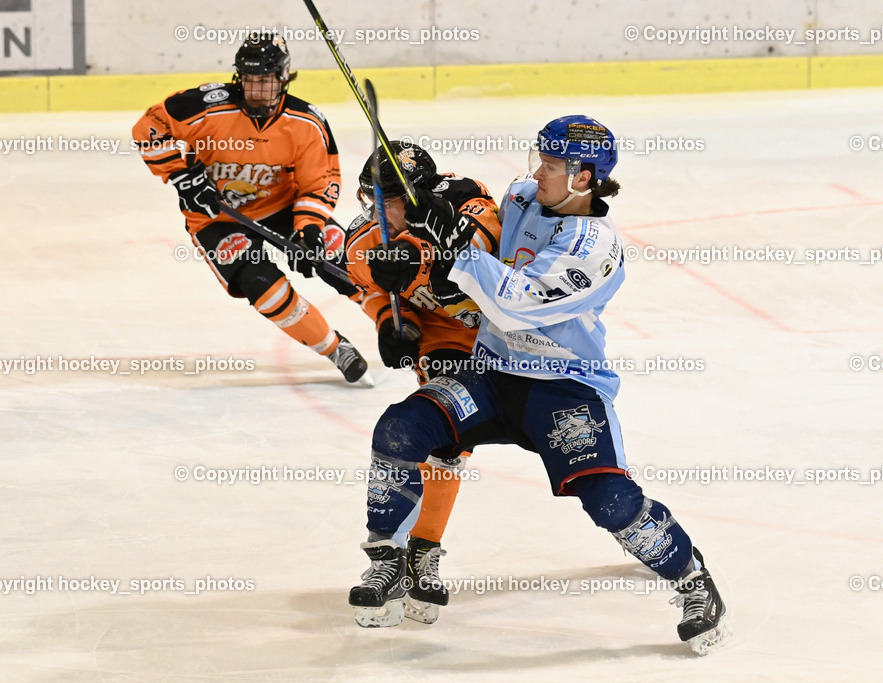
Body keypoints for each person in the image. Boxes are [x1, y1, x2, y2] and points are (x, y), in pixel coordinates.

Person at [348, 116, 729, 655]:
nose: (536, 173)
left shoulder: (595, 248)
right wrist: (421, 203)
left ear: (584, 177)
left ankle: (692, 581)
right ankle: (388, 559)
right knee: (400, 429)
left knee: (609, 500)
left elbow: (514, 304)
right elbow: (473, 213)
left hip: (562, 389)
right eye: (539, 159)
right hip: (489, 376)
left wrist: (453, 244)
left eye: (550, 165)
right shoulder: (524, 197)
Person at [131, 31, 368, 383]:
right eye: (249, 80)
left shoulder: (306, 122)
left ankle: (399, 324)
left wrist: (309, 229)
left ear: (284, 78)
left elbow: (318, 183)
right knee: (260, 283)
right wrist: (183, 176)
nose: (256, 90)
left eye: (265, 81)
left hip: (282, 205)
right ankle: (334, 347)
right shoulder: (205, 106)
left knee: (338, 255)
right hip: (216, 218)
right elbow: (148, 129)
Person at [344, 141, 502, 623]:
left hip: (511, 337)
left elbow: (485, 250)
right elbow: (367, 290)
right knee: (444, 441)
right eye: (372, 199)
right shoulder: (363, 241)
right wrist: (391, 324)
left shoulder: (466, 201)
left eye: (390, 200)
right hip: (446, 339)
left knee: (576, 448)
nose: (379, 212)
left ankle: (645, 527)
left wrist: (426, 255)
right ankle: (411, 554)